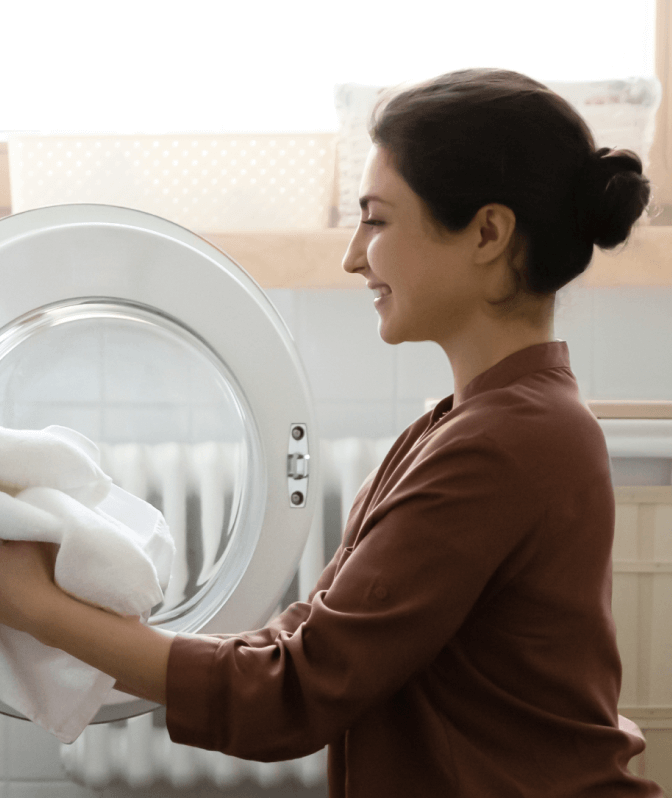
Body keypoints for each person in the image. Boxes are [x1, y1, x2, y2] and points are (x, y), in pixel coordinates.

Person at [0, 67, 664, 797]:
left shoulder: (508, 443)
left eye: (376, 219)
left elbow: (293, 693)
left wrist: (35, 605)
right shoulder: (472, 423)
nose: (353, 254)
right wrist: (65, 617)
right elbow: (305, 643)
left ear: (488, 233)